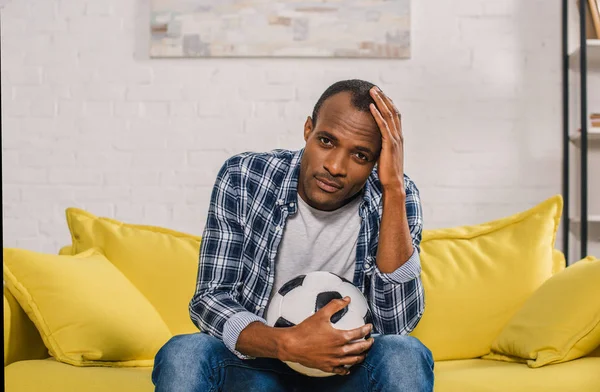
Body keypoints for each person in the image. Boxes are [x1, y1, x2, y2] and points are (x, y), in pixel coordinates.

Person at [152, 79, 434, 392]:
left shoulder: (397, 195)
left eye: (360, 156)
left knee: (405, 354)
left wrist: (393, 187)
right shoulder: (244, 177)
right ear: (308, 130)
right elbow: (210, 297)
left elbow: (398, 325)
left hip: (347, 373)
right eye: (326, 141)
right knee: (184, 352)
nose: (335, 166)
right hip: (259, 366)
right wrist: (286, 344)